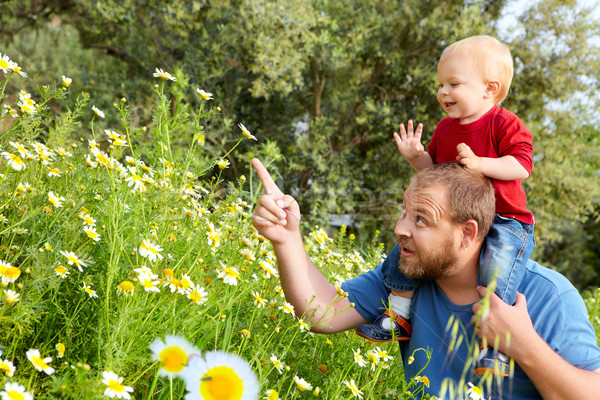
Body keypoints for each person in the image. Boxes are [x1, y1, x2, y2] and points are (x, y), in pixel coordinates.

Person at [251, 158, 600, 399]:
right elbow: (321, 313)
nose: (400, 229)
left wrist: (524, 345)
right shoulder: (404, 278)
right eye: (404, 211)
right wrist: (287, 239)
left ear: (467, 234)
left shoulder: (547, 297)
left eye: (421, 219)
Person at [356, 35, 534, 376]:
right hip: (455, 219)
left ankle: (494, 347)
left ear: (489, 89)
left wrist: (481, 164)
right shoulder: (445, 129)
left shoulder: (503, 123)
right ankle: (399, 313)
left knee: (496, 271)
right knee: (403, 251)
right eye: (440, 84)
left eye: (453, 83)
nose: (443, 92)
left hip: (504, 219)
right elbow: (436, 178)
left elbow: (521, 166)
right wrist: (416, 158)